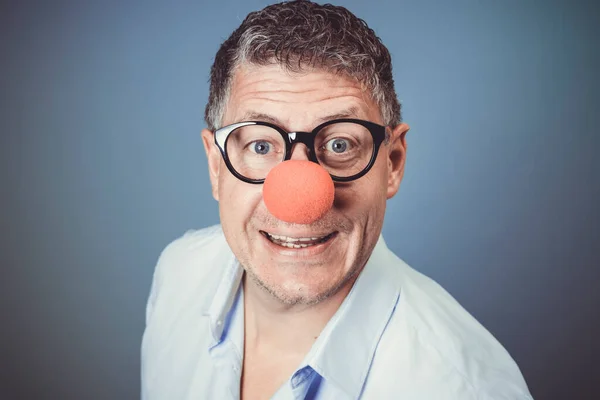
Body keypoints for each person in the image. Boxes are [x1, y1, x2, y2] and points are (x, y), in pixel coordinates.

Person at [141, 1, 532, 398]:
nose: (300, 201)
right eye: (261, 145)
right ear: (216, 166)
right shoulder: (178, 274)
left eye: (340, 144)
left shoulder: (463, 388)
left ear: (392, 162)